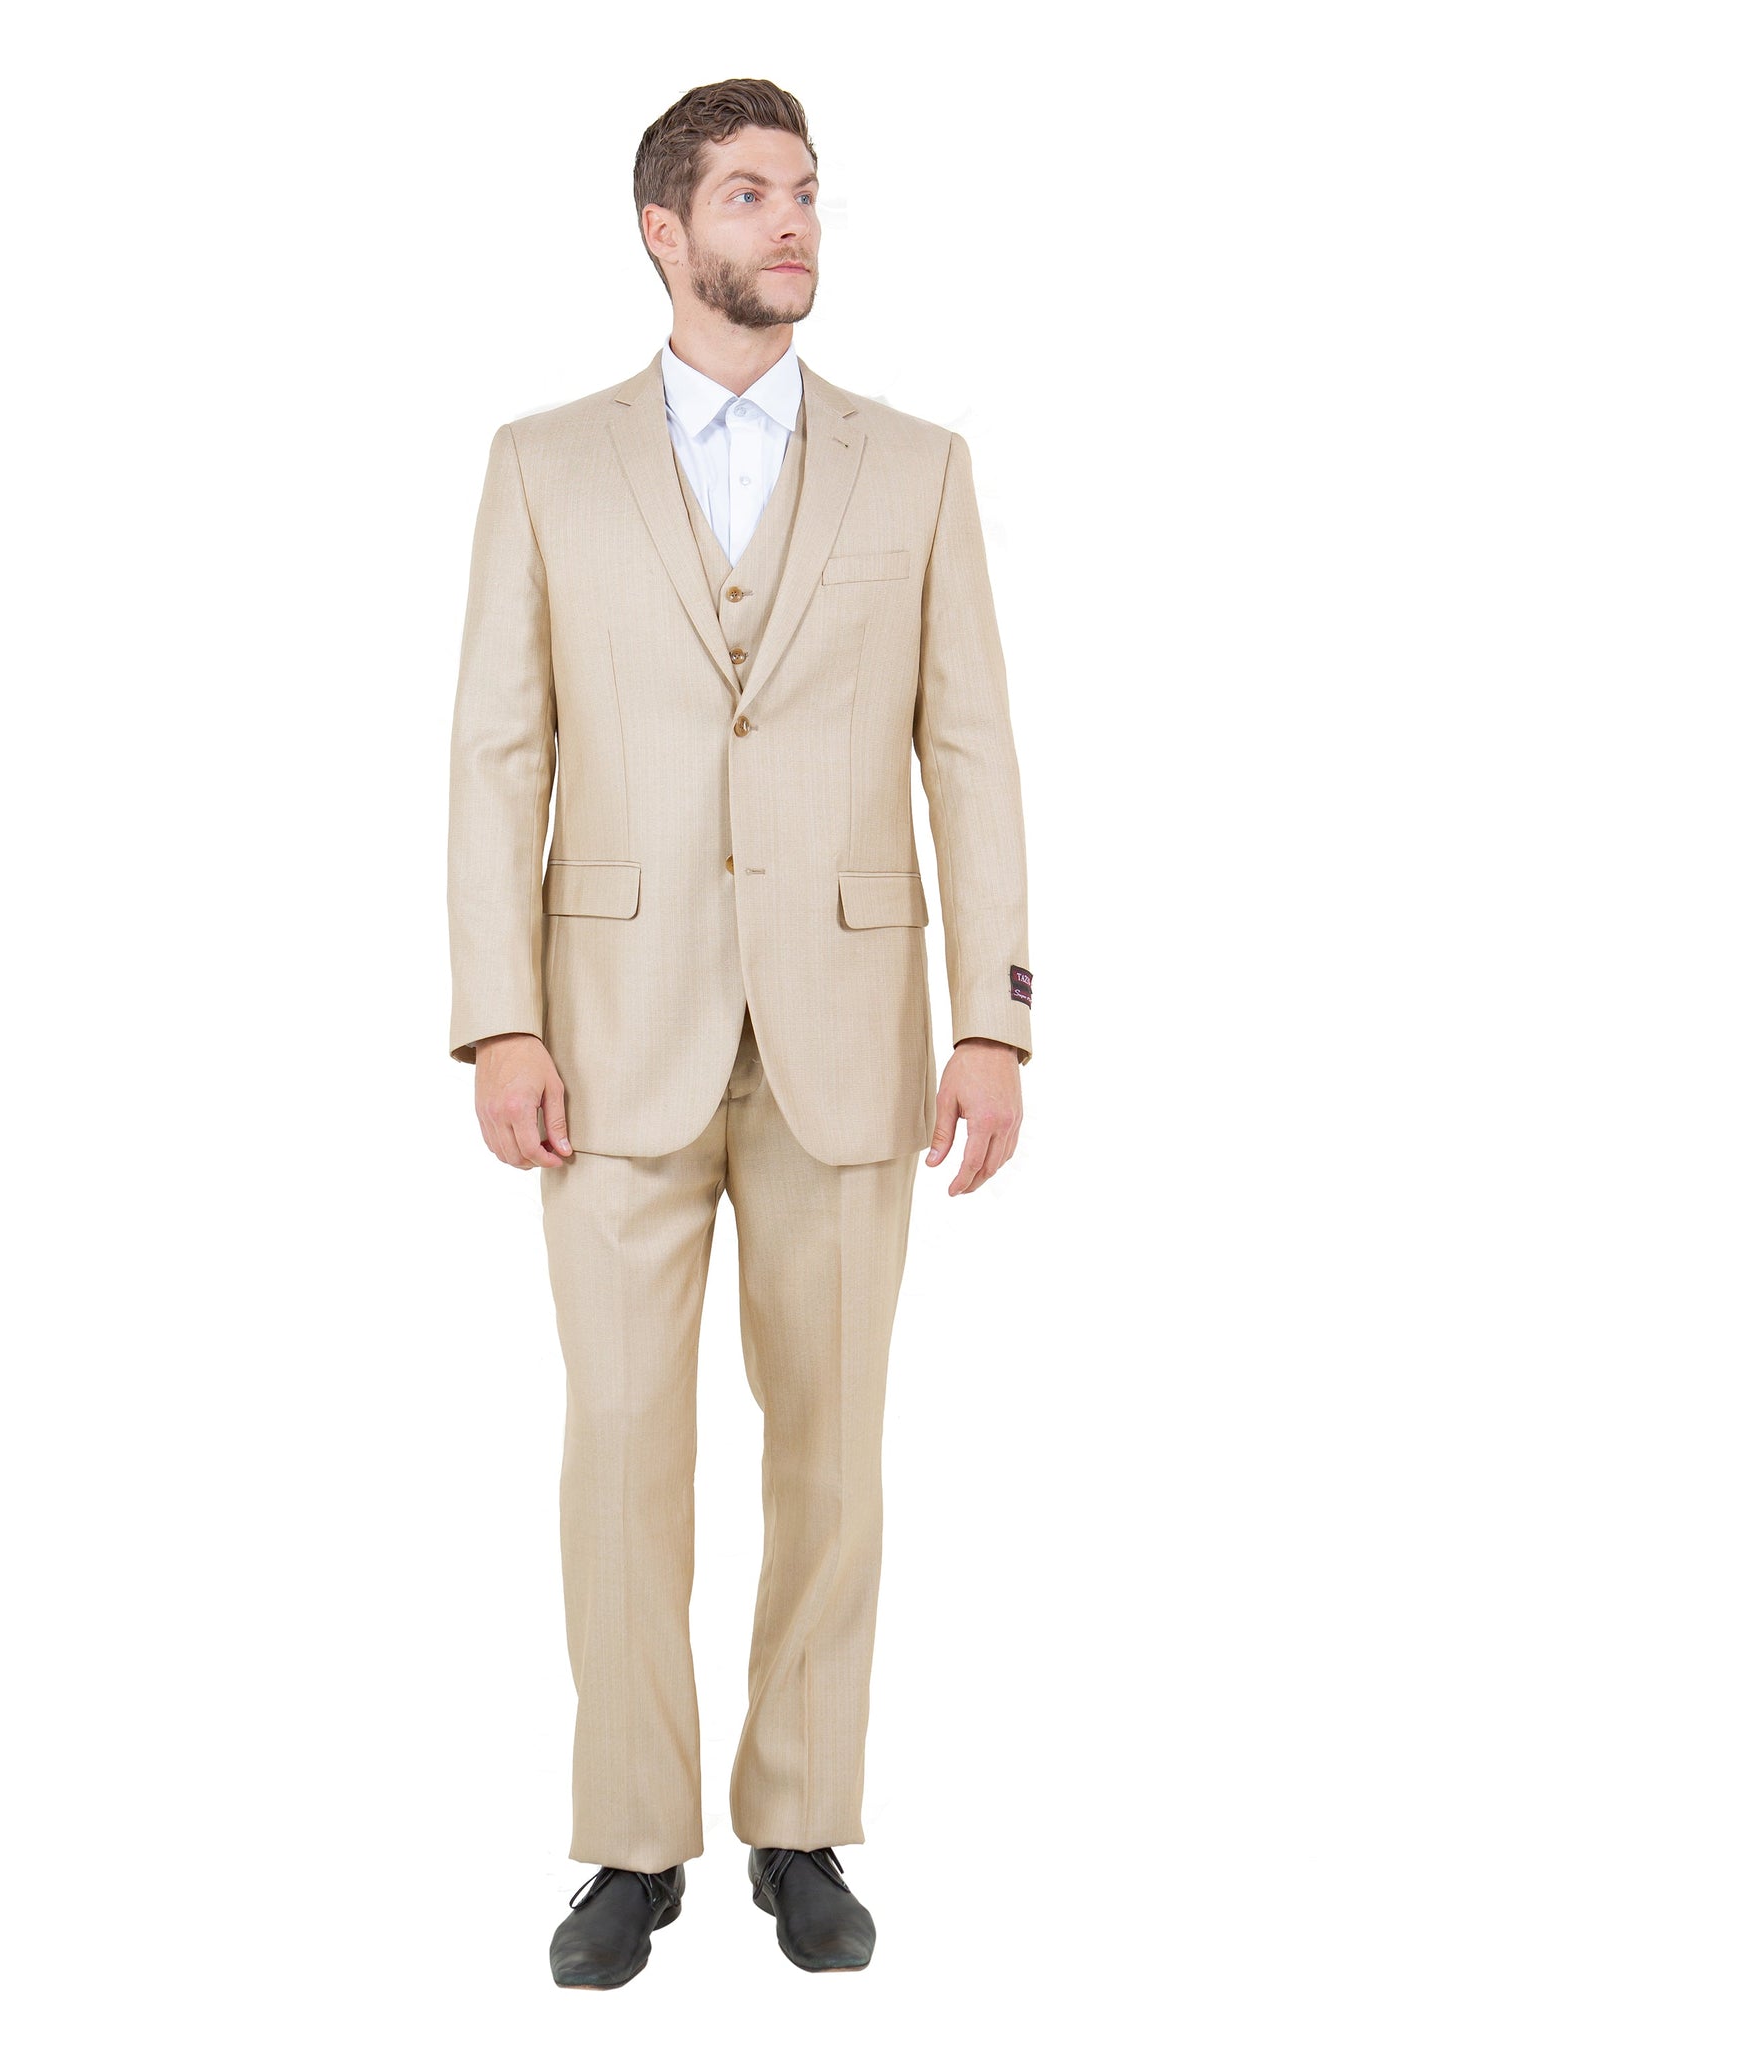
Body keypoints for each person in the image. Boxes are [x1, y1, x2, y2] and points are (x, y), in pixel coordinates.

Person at [445, 76, 1033, 1989]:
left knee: (833, 1452)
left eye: (807, 193)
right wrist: (497, 1021)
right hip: (609, 1036)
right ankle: (632, 1844)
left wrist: (996, 1020)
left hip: (852, 1030)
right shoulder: (544, 463)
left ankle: (800, 1823)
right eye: (753, 194)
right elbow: (498, 754)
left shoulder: (916, 465)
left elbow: (970, 750)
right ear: (664, 230)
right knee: (621, 1450)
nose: (793, 223)